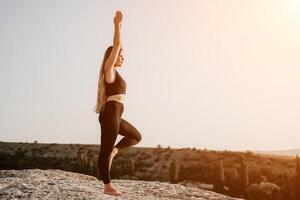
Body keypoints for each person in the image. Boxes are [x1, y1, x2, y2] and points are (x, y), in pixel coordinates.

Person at [94, 10, 142, 196]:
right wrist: (117, 26)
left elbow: (118, 47)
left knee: (136, 136)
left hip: (116, 114)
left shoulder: (115, 74)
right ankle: (107, 186)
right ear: (112, 57)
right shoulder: (109, 71)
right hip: (110, 113)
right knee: (104, 150)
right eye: (120, 55)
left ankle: (116, 150)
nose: (123, 57)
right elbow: (116, 44)